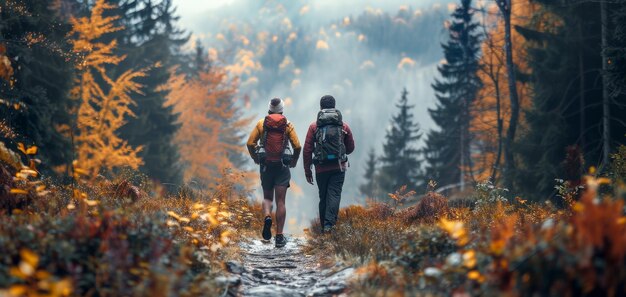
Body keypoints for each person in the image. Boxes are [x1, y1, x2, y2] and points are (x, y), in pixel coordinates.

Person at [247, 98, 301, 247]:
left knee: (268, 198)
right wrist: (294, 161)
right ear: (282, 110)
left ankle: (267, 217)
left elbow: (250, 143)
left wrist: (255, 158)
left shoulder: (261, 124)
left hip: (266, 166)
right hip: (282, 167)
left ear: (269, 109)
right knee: (281, 201)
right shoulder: (288, 125)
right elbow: (297, 146)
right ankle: (279, 236)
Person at [303, 95, 355, 233]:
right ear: (334, 106)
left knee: (323, 196)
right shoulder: (343, 126)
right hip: (338, 167)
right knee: (335, 195)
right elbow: (350, 148)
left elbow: (307, 150)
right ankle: (329, 226)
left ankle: (323, 228)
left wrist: (308, 171)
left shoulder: (314, 126)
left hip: (321, 168)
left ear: (321, 107)